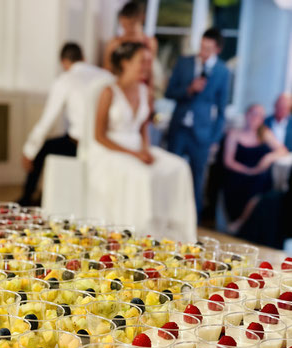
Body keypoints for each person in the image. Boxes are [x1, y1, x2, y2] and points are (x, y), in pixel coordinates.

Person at [86, 42, 196, 239]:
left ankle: (177, 234)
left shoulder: (145, 91)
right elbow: (98, 136)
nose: (147, 66)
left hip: (138, 146)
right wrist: (135, 154)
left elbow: (143, 127)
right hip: (110, 149)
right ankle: (139, 236)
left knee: (179, 167)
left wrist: (145, 149)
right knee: (141, 175)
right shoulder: (109, 92)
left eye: (148, 61)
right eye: (142, 61)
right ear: (126, 62)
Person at [17, 42, 110, 206]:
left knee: (43, 148)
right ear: (84, 58)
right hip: (105, 143)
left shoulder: (65, 80)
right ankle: (43, 195)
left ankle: (27, 199)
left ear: (64, 63)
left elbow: (47, 121)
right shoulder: (106, 76)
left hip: (78, 144)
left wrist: (29, 151)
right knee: (54, 144)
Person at [166, 28, 230, 218]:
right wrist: (189, 89)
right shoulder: (184, 62)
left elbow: (221, 110)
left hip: (202, 134)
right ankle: (168, 213)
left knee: (197, 179)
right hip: (178, 129)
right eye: (202, 47)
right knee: (171, 173)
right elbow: (169, 92)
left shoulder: (223, 71)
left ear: (217, 50)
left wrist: (214, 139)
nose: (203, 52)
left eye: (208, 49)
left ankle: (193, 221)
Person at [222, 104, 288, 234]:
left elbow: (282, 150)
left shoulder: (265, 134)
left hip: (259, 176)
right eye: (253, 114)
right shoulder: (234, 134)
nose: (255, 118)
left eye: (259, 115)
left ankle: (241, 222)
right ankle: (236, 221)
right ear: (246, 115)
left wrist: (269, 157)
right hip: (239, 173)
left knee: (260, 183)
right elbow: (228, 161)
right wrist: (247, 171)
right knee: (237, 183)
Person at [103, 1, 161, 97]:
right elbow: (107, 72)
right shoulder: (114, 43)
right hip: (121, 91)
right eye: (124, 25)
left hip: (142, 91)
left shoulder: (150, 42)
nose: (127, 29)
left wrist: (150, 94)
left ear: (141, 18)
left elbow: (150, 71)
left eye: (131, 24)